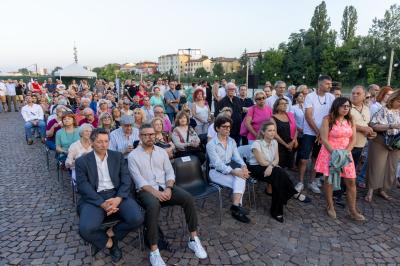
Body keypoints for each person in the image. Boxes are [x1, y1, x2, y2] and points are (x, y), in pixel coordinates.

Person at [128, 124, 207, 266]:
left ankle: (193, 239)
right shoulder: (133, 156)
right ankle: (154, 250)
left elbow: (170, 173)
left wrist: (169, 189)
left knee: (187, 198)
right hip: (146, 191)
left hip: (166, 187)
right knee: (153, 205)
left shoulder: (161, 151)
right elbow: (139, 181)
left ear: (155, 135)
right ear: (140, 137)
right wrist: (157, 193)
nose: (149, 137)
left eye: (151, 134)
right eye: (145, 135)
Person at [76, 128, 143, 263]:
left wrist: (118, 199)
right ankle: (111, 244)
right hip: (94, 198)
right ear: (92, 142)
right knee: (85, 229)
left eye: (106, 141)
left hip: (116, 194)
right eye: (99, 142)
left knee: (137, 218)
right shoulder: (82, 161)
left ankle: (111, 232)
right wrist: (102, 203)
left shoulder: (117, 156)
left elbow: (126, 180)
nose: (104, 145)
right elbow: (83, 187)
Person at [247, 121, 310, 222]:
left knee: (278, 178)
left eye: (274, 130)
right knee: (279, 173)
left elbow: (276, 159)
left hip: (270, 167)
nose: (272, 133)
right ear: (263, 132)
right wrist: (273, 166)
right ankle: (292, 194)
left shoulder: (275, 142)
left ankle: (278, 210)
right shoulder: (256, 144)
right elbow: (262, 162)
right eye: (269, 130)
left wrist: (272, 166)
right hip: (256, 168)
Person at [315, 97, 365, 221]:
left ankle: (353, 210)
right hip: (330, 153)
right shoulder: (327, 119)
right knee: (330, 181)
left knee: (351, 182)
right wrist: (335, 153)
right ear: (337, 106)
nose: (346, 108)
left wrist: (345, 153)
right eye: (343, 106)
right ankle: (330, 206)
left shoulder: (351, 120)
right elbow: (324, 139)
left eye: (348, 106)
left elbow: (353, 139)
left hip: (346, 154)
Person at [207, 115, 251, 223]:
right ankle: (237, 210)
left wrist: (244, 166)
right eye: (224, 127)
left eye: (229, 127)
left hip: (229, 169)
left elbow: (237, 157)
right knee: (240, 180)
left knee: (240, 178)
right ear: (217, 128)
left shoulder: (231, 141)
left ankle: (235, 207)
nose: (227, 129)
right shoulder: (211, 144)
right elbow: (217, 164)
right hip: (215, 172)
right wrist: (234, 171)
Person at [296, 75, 335, 194]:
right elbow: (308, 116)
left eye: (330, 83)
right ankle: (300, 182)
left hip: (323, 133)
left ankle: (312, 181)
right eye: (327, 83)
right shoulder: (310, 97)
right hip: (309, 133)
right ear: (320, 84)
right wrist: (319, 133)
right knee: (303, 159)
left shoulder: (331, 97)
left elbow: (332, 115)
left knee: (316, 159)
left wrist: (323, 133)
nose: (330, 86)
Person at [365, 89, 400, 202]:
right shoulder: (384, 110)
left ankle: (383, 190)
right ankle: (370, 190)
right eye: (399, 101)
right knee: (377, 166)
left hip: (396, 144)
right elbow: (373, 125)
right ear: (393, 99)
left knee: (391, 168)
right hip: (381, 141)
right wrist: (391, 125)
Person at [272, 98, 297, 169]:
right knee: (279, 166)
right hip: (279, 145)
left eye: (286, 104)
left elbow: (295, 129)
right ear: (277, 106)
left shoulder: (290, 115)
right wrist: (286, 145)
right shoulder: (273, 118)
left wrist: (293, 141)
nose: (285, 105)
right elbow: (275, 134)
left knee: (288, 165)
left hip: (290, 144)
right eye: (282, 104)